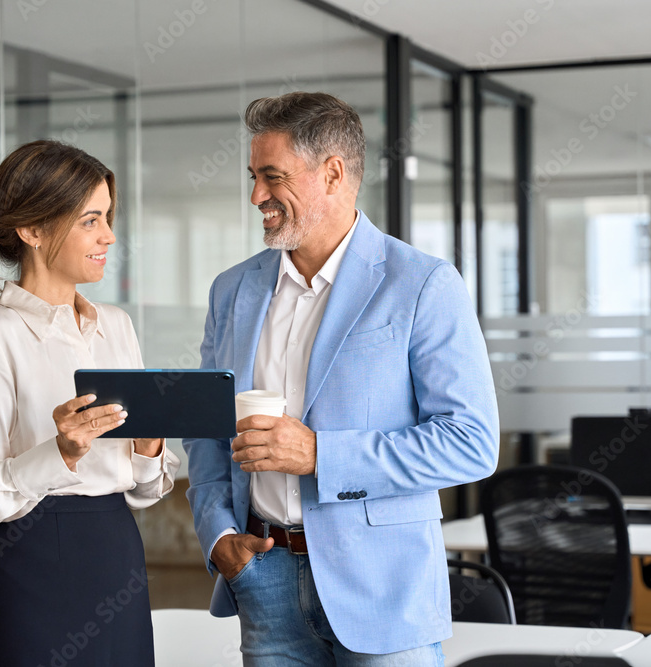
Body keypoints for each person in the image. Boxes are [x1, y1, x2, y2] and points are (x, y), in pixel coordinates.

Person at [184, 92, 500, 665]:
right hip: (262, 577)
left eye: (272, 176)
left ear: (332, 173)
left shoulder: (423, 283)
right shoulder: (231, 290)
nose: (257, 196)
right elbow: (206, 427)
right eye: (253, 177)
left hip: (385, 586)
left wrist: (320, 456)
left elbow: (471, 443)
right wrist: (219, 538)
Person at [0, 140, 178, 666]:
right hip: (30, 561)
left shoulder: (116, 325)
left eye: (108, 217)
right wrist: (60, 453)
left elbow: (148, 488)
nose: (109, 236)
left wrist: (151, 443)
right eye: (91, 220)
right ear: (34, 230)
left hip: (117, 552)